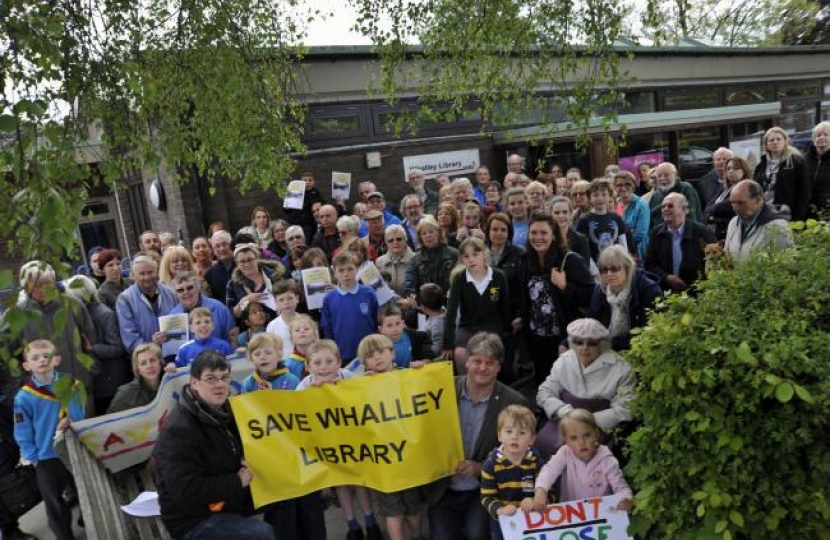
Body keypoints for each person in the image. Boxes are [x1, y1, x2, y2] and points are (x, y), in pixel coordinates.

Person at [153, 351, 275, 540]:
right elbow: (186, 491)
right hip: (194, 519)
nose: (219, 384)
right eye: (210, 379)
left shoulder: (225, 410)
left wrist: (266, 402)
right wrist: (236, 481)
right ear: (194, 383)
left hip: (227, 499)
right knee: (261, 534)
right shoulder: (178, 430)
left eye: (224, 377)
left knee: (288, 495)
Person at [427, 332, 528, 540]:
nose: (483, 368)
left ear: (499, 366)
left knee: (477, 535)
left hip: (485, 491)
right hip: (443, 489)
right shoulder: (440, 388)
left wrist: (481, 468)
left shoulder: (514, 403)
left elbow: (519, 458)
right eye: (477, 361)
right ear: (467, 362)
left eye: (489, 363)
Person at [239, 335, 322, 540]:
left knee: (307, 511)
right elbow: (246, 419)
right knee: (281, 515)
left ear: (279, 354)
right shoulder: (248, 384)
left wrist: (273, 396)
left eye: (268, 352)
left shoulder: (291, 379)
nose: (263, 357)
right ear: (250, 358)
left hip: (296, 455)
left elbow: (298, 414)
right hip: (270, 459)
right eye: (257, 354)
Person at [295, 341, 378, 540]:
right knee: (340, 482)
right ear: (308, 367)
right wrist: (310, 395)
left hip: (352, 439)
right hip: (327, 444)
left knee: (360, 479)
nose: (323, 367)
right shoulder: (303, 387)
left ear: (339, 362)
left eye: (329, 361)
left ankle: (371, 522)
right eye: (317, 362)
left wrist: (368, 380)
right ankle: (352, 525)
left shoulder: (348, 376)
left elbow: (362, 392)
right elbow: (295, 414)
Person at [357, 335, 427, 540]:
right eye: (370, 355)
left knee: (413, 511)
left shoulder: (408, 376)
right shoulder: (360, 386)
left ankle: (416, 537)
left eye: (381, 351)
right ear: (363, 362)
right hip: (383, 463)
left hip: (409, 460)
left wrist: (423, 370)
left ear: (392, 352)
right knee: (392, 513)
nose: (377, 357)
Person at [14, 340, 85, 540]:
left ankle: (87, 519)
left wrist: (71, 420)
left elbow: (80, 413)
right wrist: (33, 458)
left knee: (84, 490)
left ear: (57, 359)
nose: (42, 360)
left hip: (73, 448)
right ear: (27, 366)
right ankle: (64, 536)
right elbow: (22, 431)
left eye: (47, 355)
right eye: (35, 358)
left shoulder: (71, 383)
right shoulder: (24, 397)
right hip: (46, 456)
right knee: (54, 501)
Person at [535, 319, 635, 459]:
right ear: (571, 342)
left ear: (602, 344)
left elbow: (626, 407)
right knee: (542, 442)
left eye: (592, 342)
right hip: (563, 419)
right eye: (578, 342)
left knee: (579, 451)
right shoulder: (564, 360)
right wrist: (565, 412)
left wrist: (588, 420)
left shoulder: (622, 368)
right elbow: (544, 392)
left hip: (597, 427)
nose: (584, 347)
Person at [519, 212, 593, 385]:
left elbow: (591, 296)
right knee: (544, 385)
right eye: (534, 233)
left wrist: (566, 287)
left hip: (563, 338)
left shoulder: (570, 260)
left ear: (554, 235)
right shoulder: (525, 261)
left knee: (566, 386)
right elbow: (525, 299)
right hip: (536, 337)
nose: (538, 238)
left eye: (544, 233)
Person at [13, 260, 96, 400]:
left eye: (49, 284)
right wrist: (24, 382)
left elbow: (91, 336)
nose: (45, 290)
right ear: (26, 287)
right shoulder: (18, 314)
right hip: (42, 394)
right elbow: (11, 356)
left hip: (79, 385)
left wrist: (91, 369)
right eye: (38, 286)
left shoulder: (71, 303)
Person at [532, 409, 633, 510]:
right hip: (572, 513)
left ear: (596, 434)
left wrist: (626, 499)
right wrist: (541, 489)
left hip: (602, 513)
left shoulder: (606, 459)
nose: (581, 442)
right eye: (574, 438)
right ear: (565, 440)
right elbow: (549, 471)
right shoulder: (565, 453)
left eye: (587, 435)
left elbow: (621, 487)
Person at [64, 275, 130, 414]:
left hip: (109, 383)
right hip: (98, 382)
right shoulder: (79, 314)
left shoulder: (105, 314)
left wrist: (92, 348)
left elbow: (117, 348)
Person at [444, 238, 511, 373]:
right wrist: (447, 344)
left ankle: (489, 386)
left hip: (492, 325)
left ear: (484, 255)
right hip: (468, 326)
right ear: (462, 259)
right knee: (460, 353)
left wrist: (507, 330)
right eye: (466, 256)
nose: (471, 259)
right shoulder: (459, 278)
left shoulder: (498, 276)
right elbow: (451, 312)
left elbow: (505, 306)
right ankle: (466, 387)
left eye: (475, 254)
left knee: (488, 352)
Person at [480, 405, 542, 540]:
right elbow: (486, 497)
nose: (514, 437)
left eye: (522, 433)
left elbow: (548, 491)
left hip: (532, 519)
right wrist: (500, 510)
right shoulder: (491, 464)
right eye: (509, 431)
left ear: (532, 439)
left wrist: (535, 500)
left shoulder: (536, 460)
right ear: (499, 435)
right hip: (503, 521)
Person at [591, 246, 661, 350]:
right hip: (606, 347)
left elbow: (648, 334)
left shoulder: (648, 291)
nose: (609, 274)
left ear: (627, 269)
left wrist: (609, 344)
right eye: (604, 270)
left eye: (615, 269)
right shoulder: (601, 289)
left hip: (639, 350)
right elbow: (592, 320)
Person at [645, 193, 716, 293]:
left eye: (670, 206)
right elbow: (649, 264)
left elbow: (715, 260)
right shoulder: (656, 233)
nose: (665, 209)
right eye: (663, 207)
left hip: (697, 293)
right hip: (666, 293)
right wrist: (667, 277)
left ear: (685, 210)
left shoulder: (702, 233)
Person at [320, 252, 379, 362]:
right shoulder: (329, 298)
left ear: (357, 269)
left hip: (369, 352)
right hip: (343, 354)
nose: (346, 274)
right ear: (334, 273)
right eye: (341, 270)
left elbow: (376, 320)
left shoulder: (368, 293)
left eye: (350, 269)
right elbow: (327, 329)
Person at [116, 255, 178, 356]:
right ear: (133, 276)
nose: (147, 277)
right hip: (146, 360)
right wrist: (152, 346)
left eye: (150, 272)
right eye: (142, 274)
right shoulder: (125, 299)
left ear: (156, 272)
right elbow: (130, 339)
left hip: (173, 355)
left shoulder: (170, 292)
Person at [725, 179, 794, 263]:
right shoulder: (733, 223)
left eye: (740, 203)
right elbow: (727, 257)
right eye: (732, 202)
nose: (735, 208)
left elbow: (785, 265)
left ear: (758, 200)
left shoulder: (778, 227)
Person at [754, 126, 811, 221]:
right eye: (771, 140)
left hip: (787, 215)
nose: (775, 142)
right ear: (766, 144)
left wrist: (797, 218)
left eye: (778, 139)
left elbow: (805, 192)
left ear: (785, 141)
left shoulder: (797, 161)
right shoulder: (761, 165)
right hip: (764, 214)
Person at [575, 178, 635, 264]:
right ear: (590, 198)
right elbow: (583, 250)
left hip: (615, 264)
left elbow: (623, 247)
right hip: (594, 266)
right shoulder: (584, 220)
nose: (600, 198)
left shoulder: (617, 218)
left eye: (604, 194)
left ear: (610, 197)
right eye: (595, 195)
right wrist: (595, 272)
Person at [403, 215, 459, 306]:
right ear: (420, 237)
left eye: (431, 231)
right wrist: (412, 297)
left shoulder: (454, 254)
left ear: (438, 232)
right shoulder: (415, 259)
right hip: (425, 307)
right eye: (424, 233)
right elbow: (409, 284)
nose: (428, 235)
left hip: (450, 304)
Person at [168, 272, 237, 343]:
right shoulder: (173, 315)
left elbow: (232, 338)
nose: (186, 292)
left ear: (198, 288)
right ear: (176, 294)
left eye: (190, 288)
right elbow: (173, 347)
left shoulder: (219, 308)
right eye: (180, 290)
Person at [226, 243, 278, 324]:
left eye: (250, 259)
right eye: (242, 261)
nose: (247, 264)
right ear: (237, 263)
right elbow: (231, 315)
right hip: (252, 330)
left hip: (277, 324)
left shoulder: (275, 275)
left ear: (257, 258)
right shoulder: (232, 284)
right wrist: (245, 301)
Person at [703, 156, 752, 240]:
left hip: (734, 233)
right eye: (728, 168)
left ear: (744, 171)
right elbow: (708, 207)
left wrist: (712, 214)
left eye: (735, 168)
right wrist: (711, 213)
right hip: (716, 233)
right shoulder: (724, 189)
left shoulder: (746, 187)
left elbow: (725, 206)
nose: (731, 171)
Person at [107, 343, 164, 413]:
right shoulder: (125, 393)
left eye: (152, 360)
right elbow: (111, 420)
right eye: (143, 363)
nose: (149, 366)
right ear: (138, 370)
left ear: (160, 363)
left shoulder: (169, 383)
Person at [648, 162, 703, 228]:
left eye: (666, 175)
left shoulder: (686, 188)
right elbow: (650, 220)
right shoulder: (656, 195)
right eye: (659, 176)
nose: (662, 178)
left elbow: (693, 216)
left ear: (675, 175)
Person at [377, 303, 432, 369]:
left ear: (403, 323)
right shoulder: (376, 346)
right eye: (389, 325)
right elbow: (369, 365)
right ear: (381, 329)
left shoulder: (417, 337)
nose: (395, 329)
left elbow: (428, 355)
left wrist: (424, 361)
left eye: (398, 323)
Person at [614, 171, 650, 260]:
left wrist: (620, 240)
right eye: (619, 185)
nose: (623, 188)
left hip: (637, 252)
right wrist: (629, 231)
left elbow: (640, 235)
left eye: (627, 184)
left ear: (633, 186)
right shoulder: (615, 203)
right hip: (618, 253)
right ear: (615, 187)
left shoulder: (641, 204)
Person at [548, 196, 592, 265]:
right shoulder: (546, 238)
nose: (561, 216)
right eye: (557, 213)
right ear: (550, 215)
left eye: (565, 212)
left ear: (570, 214)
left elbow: (585, 268)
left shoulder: (581, 239)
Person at [264, 280, 301, 358]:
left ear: (297, 298)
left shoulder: (306, 322)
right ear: (276, 302)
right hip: (283, 367)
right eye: (281, 300)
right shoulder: (272, 326)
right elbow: (270, 350)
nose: (286, 302)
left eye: (290, 298)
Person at [376, 224, 415, 297]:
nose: (395, 242)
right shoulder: (379, 262)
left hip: (411, 305)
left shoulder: (416, 259)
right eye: (391, 240)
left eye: (399, 239)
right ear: (386, 243)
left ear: (405, 239)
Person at [286, 171, 326, 241]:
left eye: (310, 180)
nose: (307, 182)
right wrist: (286, 202)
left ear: (314, 182)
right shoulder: (294, 192)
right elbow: (286, 210)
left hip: (308, 225)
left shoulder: (316, 193)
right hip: (294, 223)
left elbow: (323, 205)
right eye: (305, 180)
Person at [203, 230, 235, 302]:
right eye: (217, 246)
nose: (221, 248)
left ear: (232, 244)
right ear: (213, 250)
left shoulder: (244, 266)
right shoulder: (209, 274)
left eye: (225, 244)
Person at [284, 314, 318, 380]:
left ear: (314, 335)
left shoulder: (322, 359)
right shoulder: (288, 365)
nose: (302, 331)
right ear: (291, 338)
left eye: (306, 329)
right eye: (297, 330)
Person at [807, 121, 830, 218]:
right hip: (806, 213)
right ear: (813, 139)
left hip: (827, 214)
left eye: (826, 135)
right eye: (818, 135)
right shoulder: (803, 160)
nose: (821, 137)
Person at [418, 283, 446, 358]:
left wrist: (420, 350)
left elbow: (437, 350)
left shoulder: (437, 325)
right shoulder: (441, 309)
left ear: (424, 307)